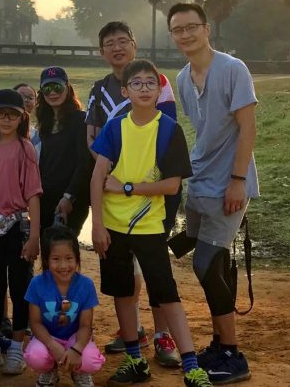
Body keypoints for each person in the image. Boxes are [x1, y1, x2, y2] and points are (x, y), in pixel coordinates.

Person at [90, 58, 213, 387]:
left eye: (150, 83)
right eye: (137, 83)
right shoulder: (115, 128)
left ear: (160, 90)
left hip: (149, 227)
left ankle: (191, 366)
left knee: (166, 294)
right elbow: (98, 177)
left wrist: (128, 188)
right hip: (114, 227)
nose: (144, 88)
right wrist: (97, 225)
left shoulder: (169, 129)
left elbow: (172, 186)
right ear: (125, 90)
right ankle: (135, 359)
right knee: (123, 293)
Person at [72, 21, 178, 361]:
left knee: (155, 264)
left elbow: (165, 134)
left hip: (154, 190)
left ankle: (164, 335)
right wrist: (110, 168)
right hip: (113, 189)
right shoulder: (99, 89)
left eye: (122, 41)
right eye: (109, 43)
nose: (117, 48)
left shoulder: (156, 81)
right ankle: (132, 333)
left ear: (133, 44)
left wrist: (134, 176)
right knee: (122, 265)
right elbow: (92, 136)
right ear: (102, 51)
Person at [168, 3, 258, 385]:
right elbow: (200, 131)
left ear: (207, 29)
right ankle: (220, 344)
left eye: (191, 27)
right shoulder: (183, 79)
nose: (185, 34)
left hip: (229, 183)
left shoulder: (233, 69)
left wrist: (237, 180)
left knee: (204, 264)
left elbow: (248, 128)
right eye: (178, 30)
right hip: (200, 179)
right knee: (213, 262)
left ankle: (234, 355)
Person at [0, 89, 42, 374]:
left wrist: (34, 236)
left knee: (20, 286)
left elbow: (34, 194)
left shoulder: (26, 148)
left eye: (12, 114)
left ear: (21, 117)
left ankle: (16, 349)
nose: (5, 119)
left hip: (16, 225)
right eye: (0, 114)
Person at [25, 226, 105, 387]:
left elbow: (85, 325)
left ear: (77, 258)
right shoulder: (36, 284)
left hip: (75, 338)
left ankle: (79, 372)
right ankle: (49, 371)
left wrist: (77, 349)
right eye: (56, 259)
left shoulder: (86, 285)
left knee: (91, 361)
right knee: (36, 356)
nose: (63, 265)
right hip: (48, 337)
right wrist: (52, 345)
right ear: (47, 260)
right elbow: (35, 323)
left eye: (69, 258)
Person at [35, 67, 91, 235]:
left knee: (65, 251)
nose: (52, 93)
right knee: (47, 251)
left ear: (67, 88)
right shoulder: (45, 123)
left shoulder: (80, 120)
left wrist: (69, 197)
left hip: (72, 200)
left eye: (57, 87)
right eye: (47, 88)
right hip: (45, 198)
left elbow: (85, 162)